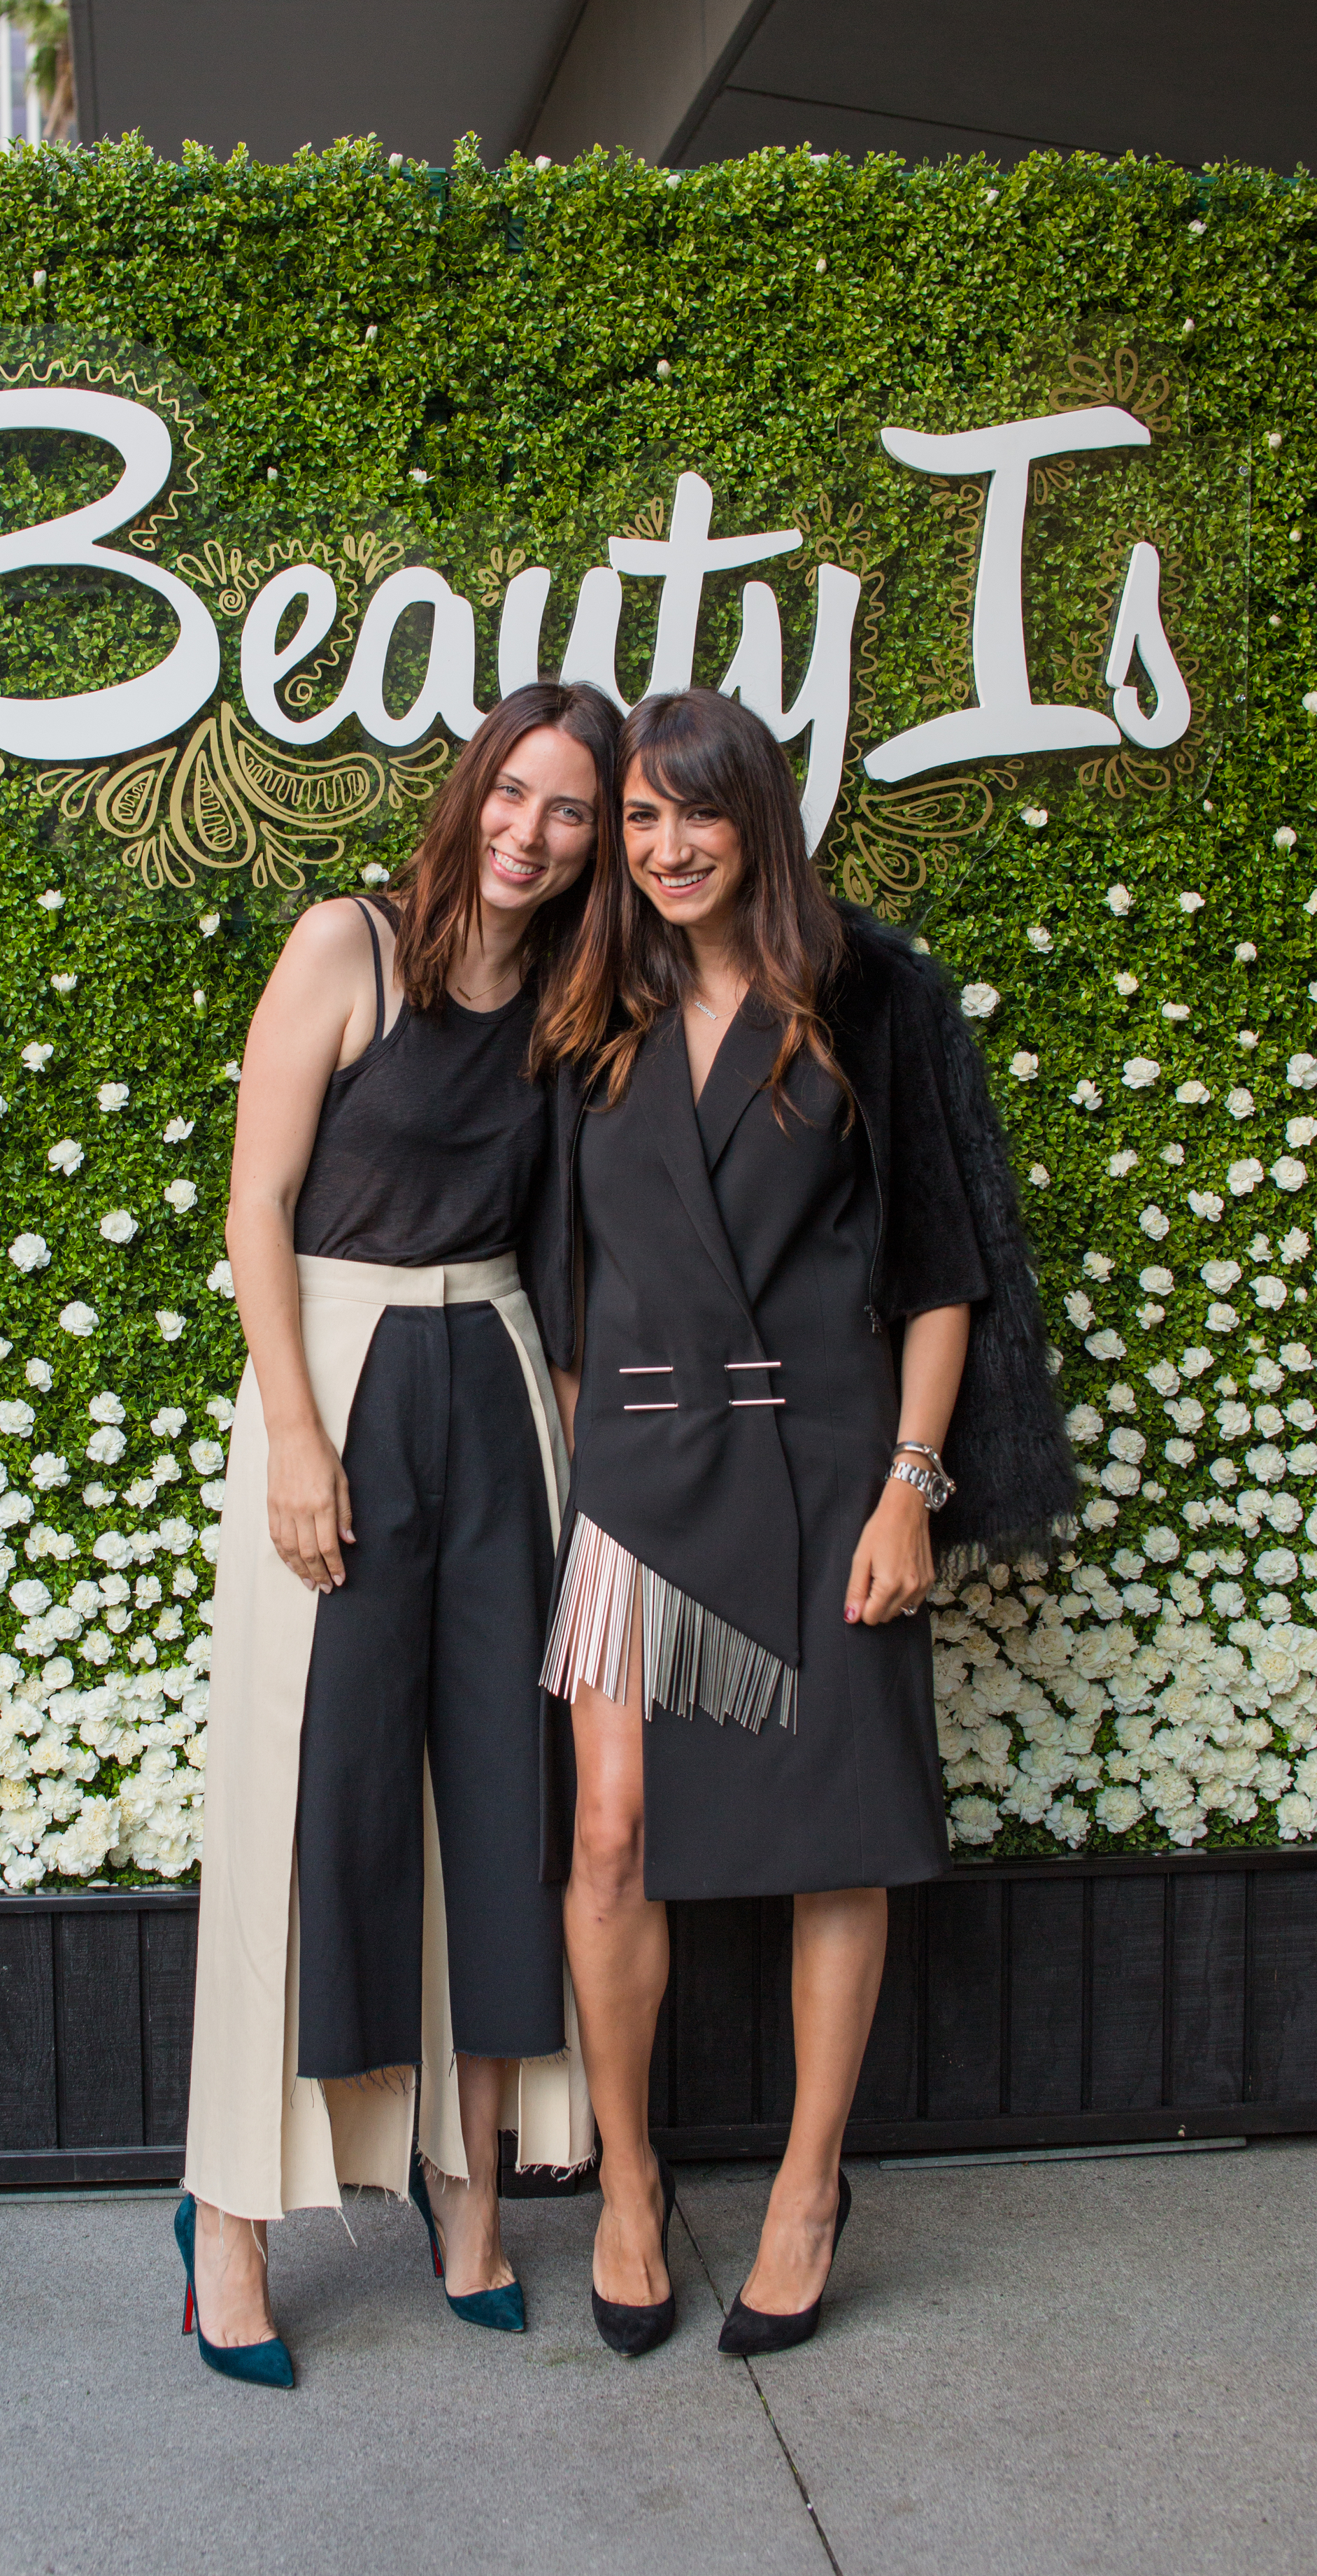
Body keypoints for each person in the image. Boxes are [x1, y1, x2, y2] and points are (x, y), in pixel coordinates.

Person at [527, 687, 1074, 2359]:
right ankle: (627, 2186)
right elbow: (557, 1283)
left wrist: (911, 1489)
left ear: (757, 817)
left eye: (694, 814)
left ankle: (807, 2188)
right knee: (610, 1833)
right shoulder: (586, 999)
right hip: (630, 1480)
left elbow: (936, 1265)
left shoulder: (871, 989)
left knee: (836, 1839)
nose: (663, 848)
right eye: (634, 819)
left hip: (829, 1469)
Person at [177, 681, 618, 2387]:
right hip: (340, 1374)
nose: (533, 833)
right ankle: (228, 2222)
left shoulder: (577, 1000)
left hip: (498, 1377)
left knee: (500, 1790)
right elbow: (254, 1203)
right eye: (516, 795)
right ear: (470, 793)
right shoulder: (348, 942)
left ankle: (471, 2190)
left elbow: (570, 1242)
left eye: (570, 811)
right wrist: (295, 1434)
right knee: (312, 1789)